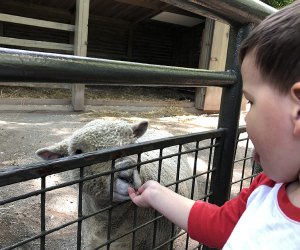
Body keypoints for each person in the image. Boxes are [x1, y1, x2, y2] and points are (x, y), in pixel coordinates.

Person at [128, 1, 300, 249]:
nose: (246, 113)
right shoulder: (267, 187)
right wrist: (157, 193)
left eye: (250, 101)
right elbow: (223, 226)